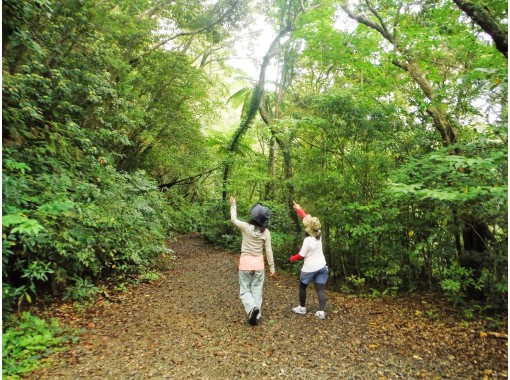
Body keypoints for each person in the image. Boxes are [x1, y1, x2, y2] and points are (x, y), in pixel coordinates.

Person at [230, 196, 275, 325]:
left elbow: (234, 219)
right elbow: (269, 251)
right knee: (256, 289)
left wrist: (233, 204)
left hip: (245, 263)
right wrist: (272, 267)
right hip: (259, 265)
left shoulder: (245, 227)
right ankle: (256, 314)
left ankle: (251, 309)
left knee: (244, 290)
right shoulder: (266, 233)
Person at [290, 201, 328, 320]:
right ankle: (321, 312)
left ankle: (302, 308)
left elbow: (301, 255)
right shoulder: (319, 233)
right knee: (320, 288)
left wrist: (292, 258)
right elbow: (309, 221)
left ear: (309, 229)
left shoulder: (308, 241)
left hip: (309, 268)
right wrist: (299, 209)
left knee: (302, 287)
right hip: (322, 266)